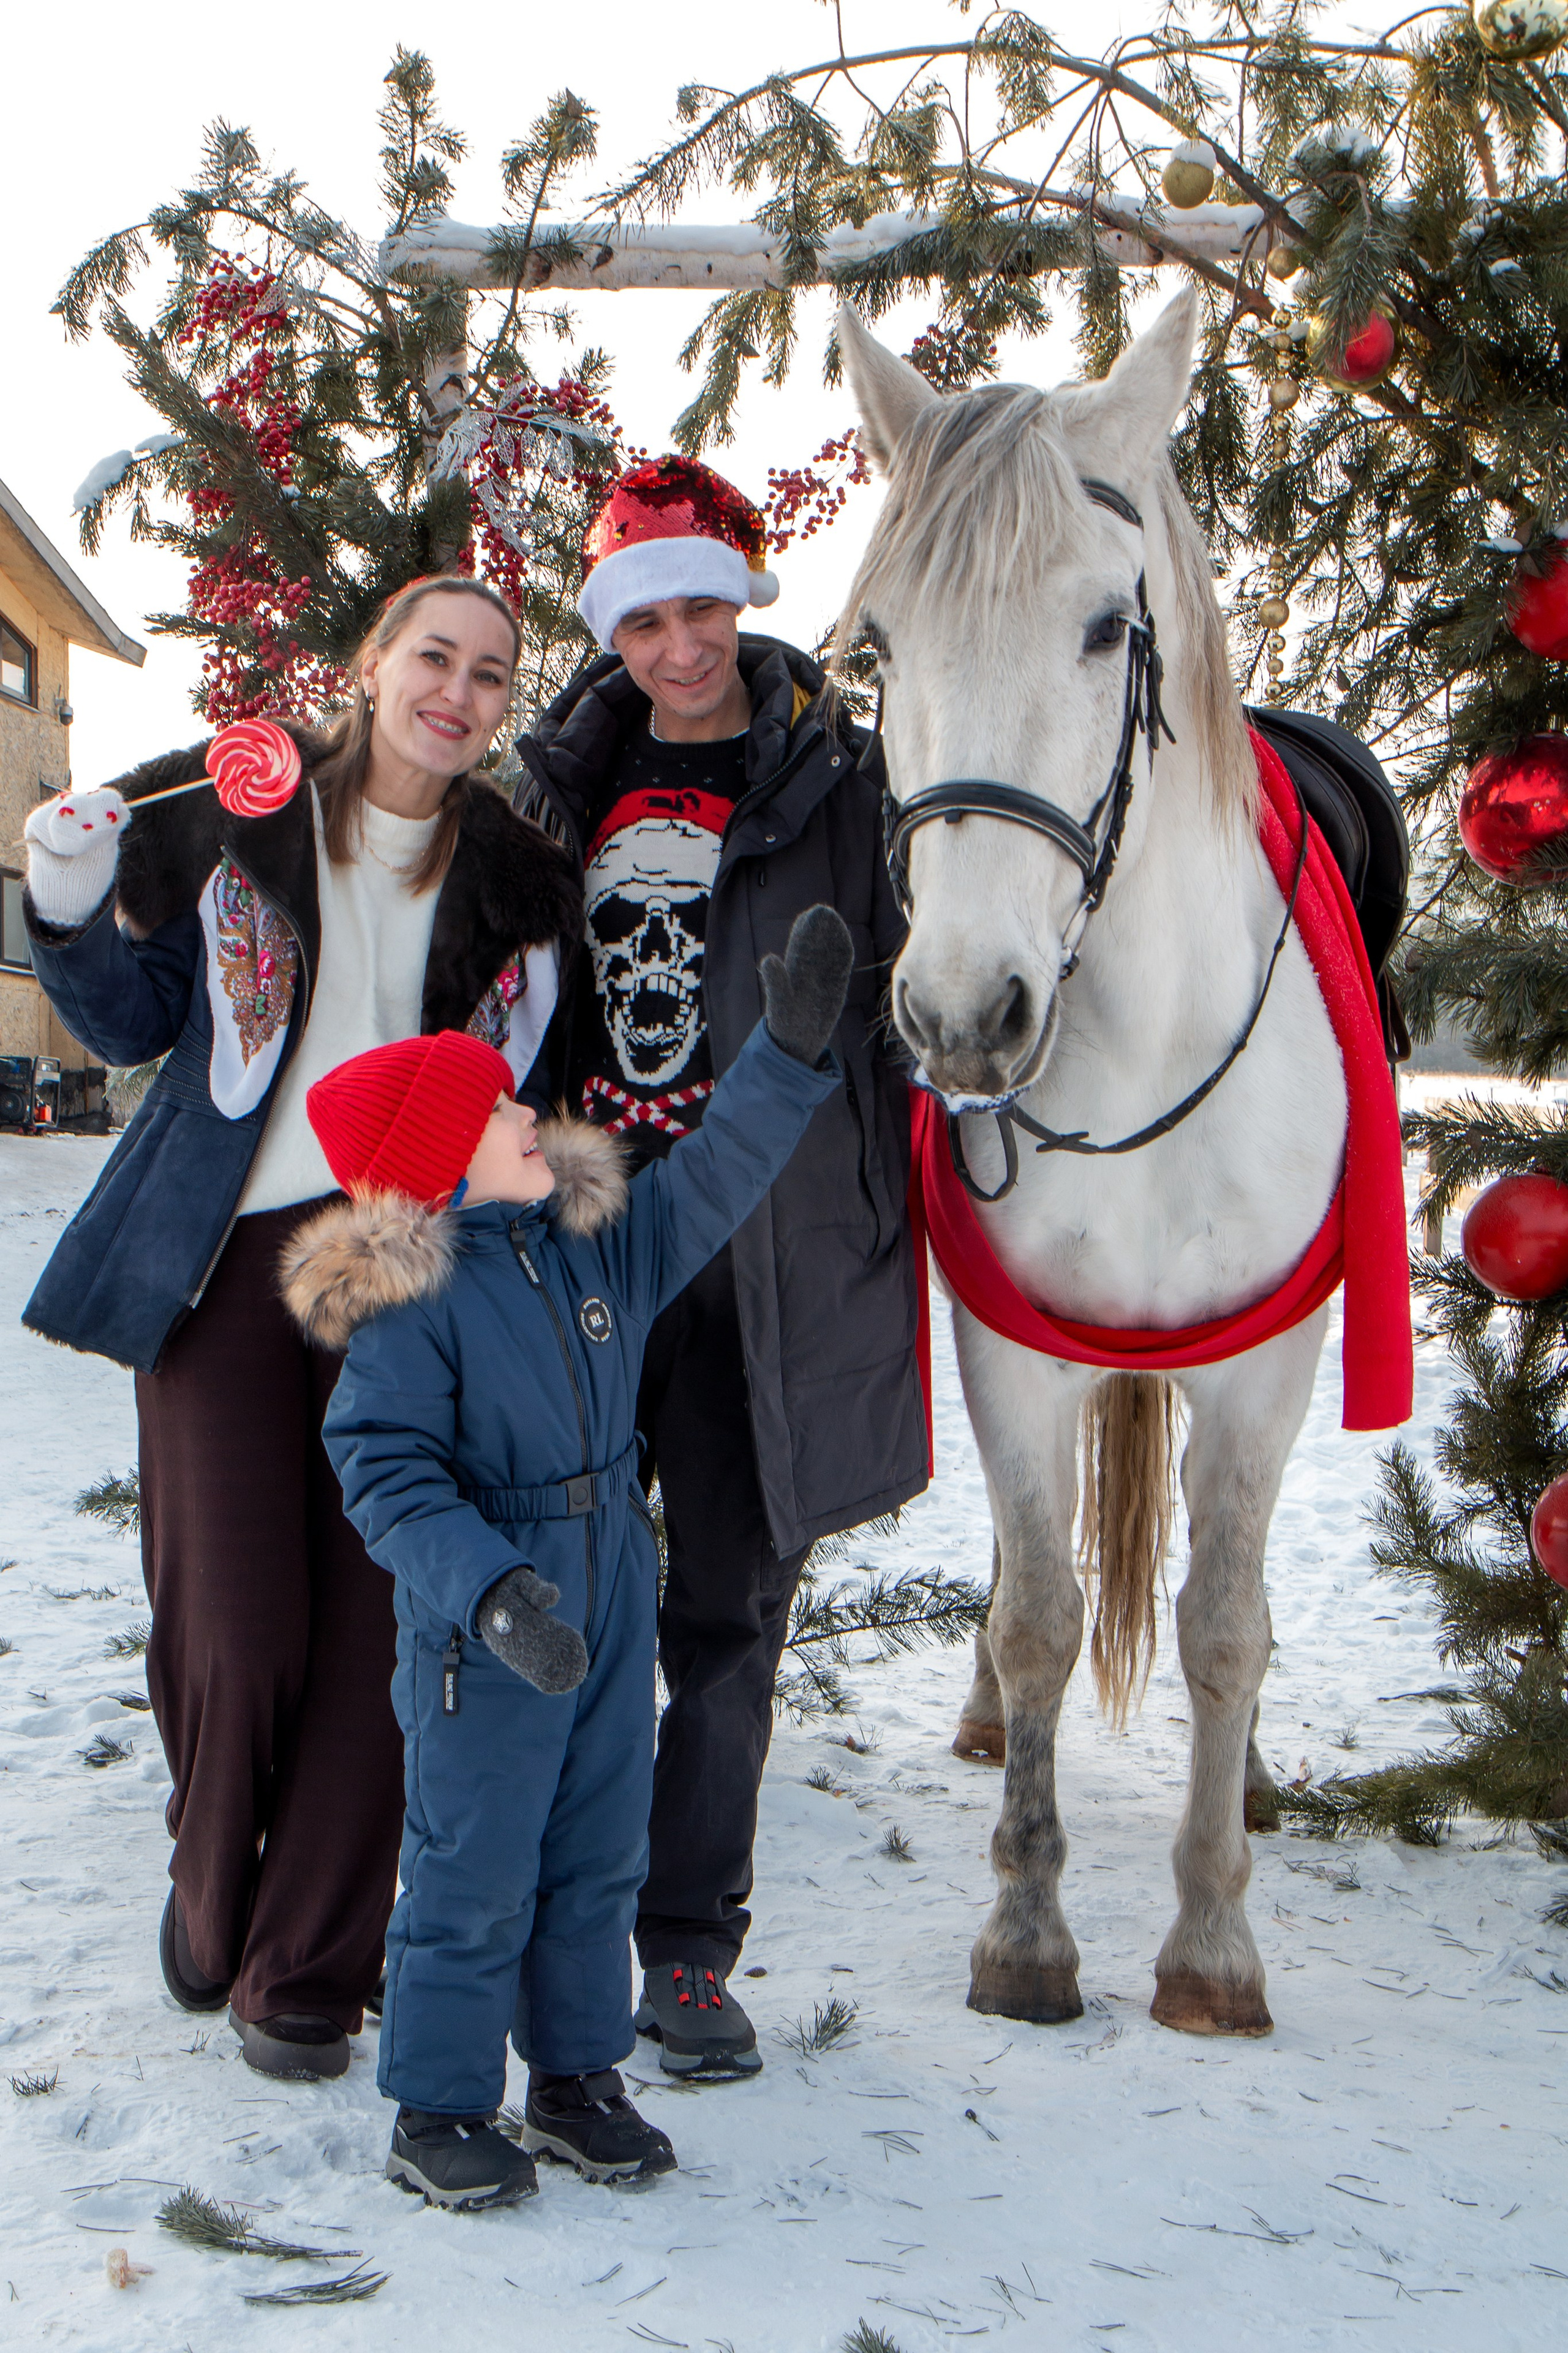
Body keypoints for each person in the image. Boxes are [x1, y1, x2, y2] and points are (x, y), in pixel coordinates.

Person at [20, 576, 579, 2082]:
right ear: (373, 664)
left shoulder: (529, 883)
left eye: (490, 672)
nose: (456, 691)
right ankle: (210, 1902)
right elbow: (135, 1024)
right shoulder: (231, 818)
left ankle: (305, 1976)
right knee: (235, 1618)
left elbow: (537, 1095)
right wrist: (66, 900)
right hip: (229, 1263)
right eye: (433, 657)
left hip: (412, 1274)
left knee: (374, 1642)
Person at [280, 907, 854, 2209]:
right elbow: (384, 1472)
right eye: (496, 1112)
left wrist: (788, 1051)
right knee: (475, 1860)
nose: (528, 1113)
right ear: (439, 1163)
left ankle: (577, 2078)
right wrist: (487, 1592)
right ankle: (436, 2107)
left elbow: (711, 1179)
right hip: (488, 1626)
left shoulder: (588, 1240)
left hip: (606, 1583)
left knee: (600, 1848)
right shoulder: (407, 1310)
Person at [512, 455, 929, 2076]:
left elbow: (920, 993)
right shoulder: (553, 790)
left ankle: (687, 1945)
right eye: (647, 619)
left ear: (747, 601)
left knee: (730, 1609)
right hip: (585, 1239)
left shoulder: (844, 780)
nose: (682, 646)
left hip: (767, 1252)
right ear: (611, 629)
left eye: (707, 608)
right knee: (557, 1586)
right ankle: (540, 1891)